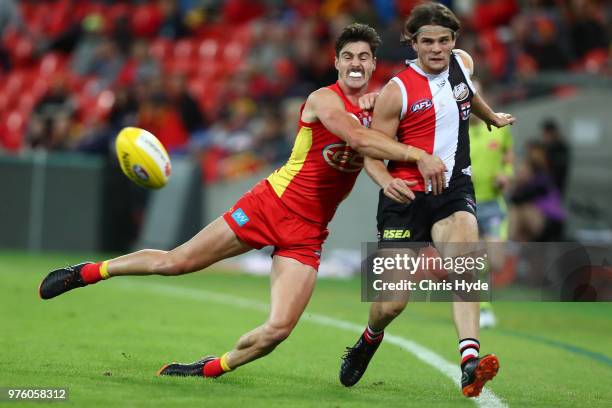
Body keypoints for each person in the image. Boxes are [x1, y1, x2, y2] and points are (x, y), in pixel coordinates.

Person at [38, 23, 445, 379]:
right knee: (176, 262)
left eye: (364, 57)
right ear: (336, 62)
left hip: (308, 232)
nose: (356, 63)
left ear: (374, 66)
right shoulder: (325, 99)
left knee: (279, 330)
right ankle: (90, 272)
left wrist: (391, 172)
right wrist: (414, 155)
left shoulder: (381, 110)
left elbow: (375, 150)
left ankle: (211, 367)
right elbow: (356, 138)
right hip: (271, 204)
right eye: (348, 56)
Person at [338, 3, 515, 398]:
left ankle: (469, 363)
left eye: (444, 41)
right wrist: (385, 182)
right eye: (428, 42)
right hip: (405, 196)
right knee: (391, 303)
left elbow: (467, 94)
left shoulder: (462, 63)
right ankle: (369, 338)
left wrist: (490, 117)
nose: (437, 49)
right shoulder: (396, 92)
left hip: (452, 191)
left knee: (464, 264)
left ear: (454, 42)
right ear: (412, 43)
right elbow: (371, 151)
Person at [468, 79, 515, 329]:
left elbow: (508, 157)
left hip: (493, 204)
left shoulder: (500, 126)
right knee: (475, 257)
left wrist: (506, 174)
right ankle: (482, 306)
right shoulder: (457, 130)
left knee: (495, 261)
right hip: (467, 204)